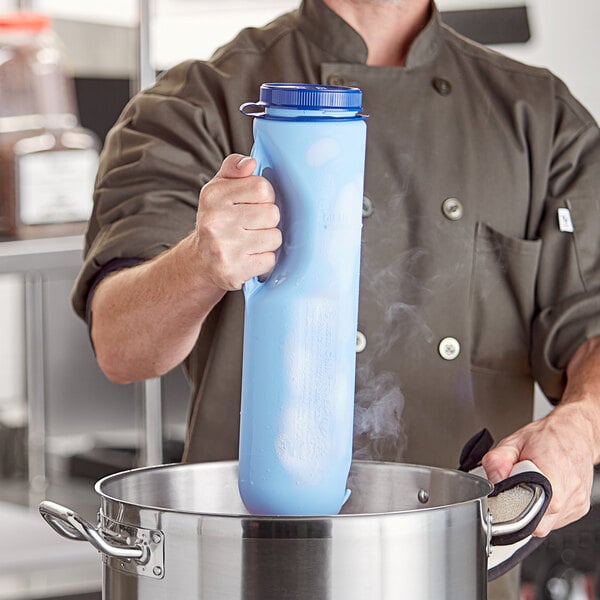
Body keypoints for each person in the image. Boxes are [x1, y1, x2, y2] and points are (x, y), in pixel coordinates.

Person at [71, 0, 600, 597]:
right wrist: (199, 263)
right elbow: (120, 344)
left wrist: (581, 424)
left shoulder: (541, 116)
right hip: (243, 573)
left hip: (459, 574)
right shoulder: (194, 101)